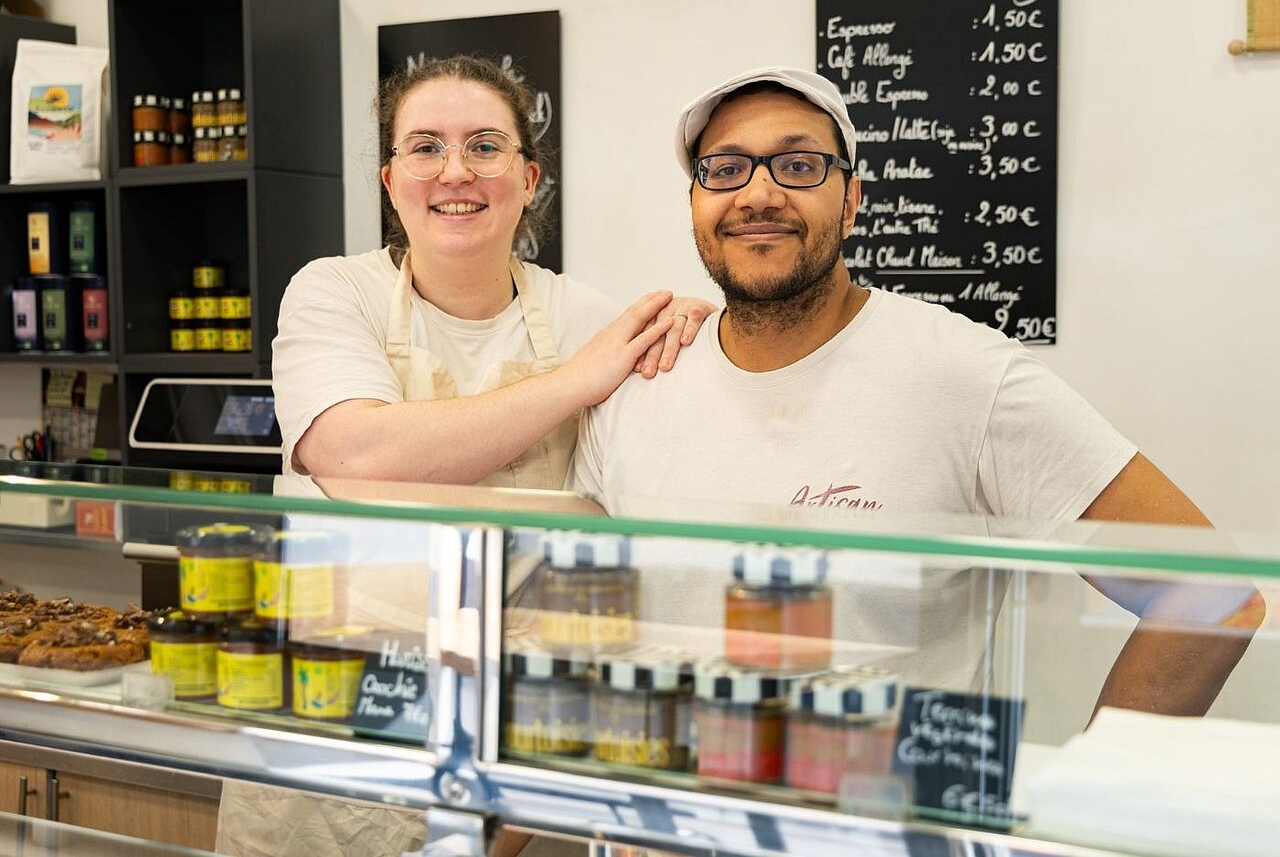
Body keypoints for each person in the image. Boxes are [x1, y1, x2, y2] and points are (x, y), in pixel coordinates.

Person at [570, 66, 1264, 715]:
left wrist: (1083, 792)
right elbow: (575, 621)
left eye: (799, 165)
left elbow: (1211, 596)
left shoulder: (965, 376)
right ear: (695, 203)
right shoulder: (640, 382)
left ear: (851, 201)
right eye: (724, 169)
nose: (758, 194)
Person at [272, 54, 714, 488]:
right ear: (390, 184)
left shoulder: (585, 319)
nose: (456, 173)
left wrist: (702, 335)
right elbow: (352, 457)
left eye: (485, 147)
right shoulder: (335, 293)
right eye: (425, 148)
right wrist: (574, 382)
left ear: (529, 182)